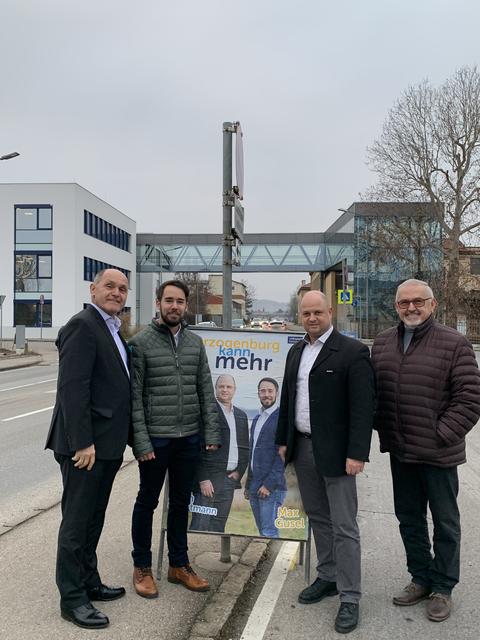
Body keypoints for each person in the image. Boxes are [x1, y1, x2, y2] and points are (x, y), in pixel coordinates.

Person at [371, 278, 480, 622]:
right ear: (396, 306)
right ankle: (420, 577)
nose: (411, 308)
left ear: (433, 305)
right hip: (401, 452)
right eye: (404, 302)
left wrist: (440, 434)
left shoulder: (454, 343)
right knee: (409, 520)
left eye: (418, 301)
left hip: (438, 454)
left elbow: (469, 400)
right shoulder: (383, 343)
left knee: (446, 523)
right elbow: (375, 394)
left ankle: (443, 587)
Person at [276, 290, 375, 635]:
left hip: (338, 454)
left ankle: (350, 596)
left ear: (330, 311)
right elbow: (288, 399)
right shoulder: (296, 351)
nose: (313, 318)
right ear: (300, 315)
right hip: (302, 449)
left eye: (318, 312)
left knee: (345, 525)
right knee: (318, 517)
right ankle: (329, 576)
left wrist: (357, 453)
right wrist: (282, 441)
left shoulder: (353, 352)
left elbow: (363, 408)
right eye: (307, 313)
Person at [45, 268, 131, 630]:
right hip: (86, 448)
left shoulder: (110, 328)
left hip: (106, 445)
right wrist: (82, 442)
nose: (117, 293)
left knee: (94, 519)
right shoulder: (83, 325)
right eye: (109, 286)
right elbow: (72, 388)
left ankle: (89, 582)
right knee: (77, 523)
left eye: (123, 288)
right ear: (93, 289)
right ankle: (72, 599)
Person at [129, 279, 220, 598]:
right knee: (147, 502)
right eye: (168, 300)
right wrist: (141, 442)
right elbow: (135, 399)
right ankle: (142, 566)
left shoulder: (195, 343)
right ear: (158, 303)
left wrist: (210, 432)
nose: (174, 306)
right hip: (156, 441)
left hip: (188, 439)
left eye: (180, 301)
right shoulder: (140, 344)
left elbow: (206, 391)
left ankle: (178, 565)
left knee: (182, 503)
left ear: (186, 306)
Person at [190, 374, 249, 532]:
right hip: (209, 480)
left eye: (228, 387)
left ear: (234, 390)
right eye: (221, 386)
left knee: (218, 527)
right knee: (200, 526)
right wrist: (203, 479)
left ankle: (213, 556)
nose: (225, 390)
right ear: (215, 389)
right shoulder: (206, 412)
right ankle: (190, 555)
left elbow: (245, 448)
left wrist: (239, 472)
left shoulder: (241, 416)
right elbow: (196, 446)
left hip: (229, 481)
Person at [245, 377, 286, 537]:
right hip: (255, 485)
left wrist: (269, 485)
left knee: (269, 532)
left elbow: (283, 455)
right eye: (263, 391)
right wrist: (249, 484)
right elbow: (253, 453)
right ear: (258, 394)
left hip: (272, 487)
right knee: (263, 532)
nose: (266, 394)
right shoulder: (257, 419)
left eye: (270, 391)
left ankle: (275, 563)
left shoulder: (282, 419)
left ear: (276, 393)